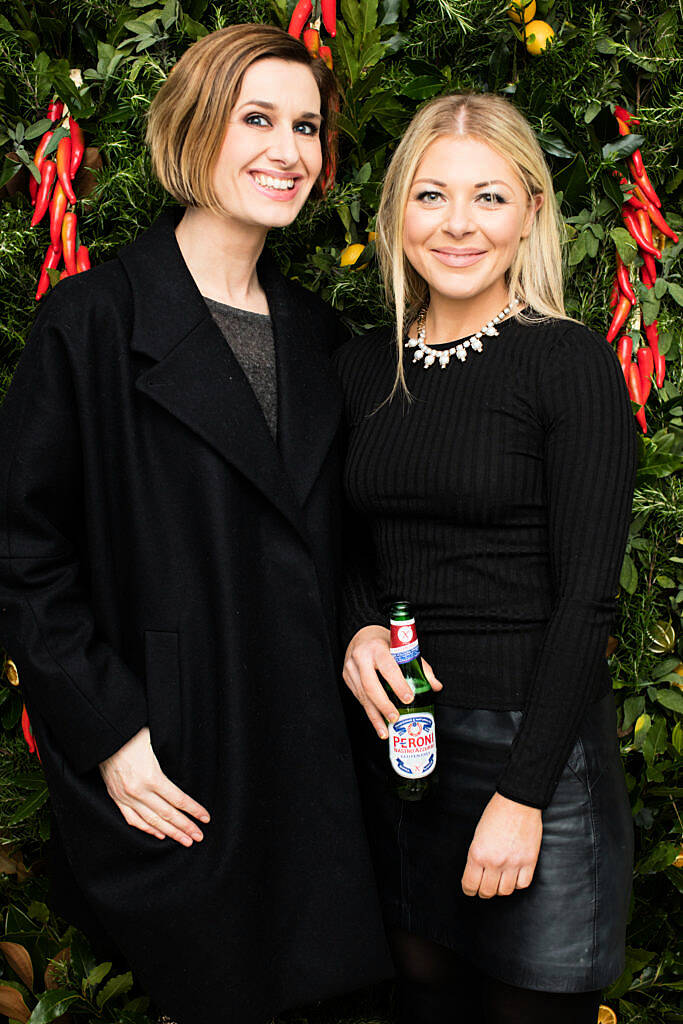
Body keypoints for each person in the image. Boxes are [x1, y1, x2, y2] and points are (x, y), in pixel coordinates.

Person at [0, 24, 391, 1024]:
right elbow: (24, 550)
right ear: (193, 128)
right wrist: (108, 733)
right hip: (180, 759)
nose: (286, 149)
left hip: (319, 770)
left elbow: (347, 537)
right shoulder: (91, 321)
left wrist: (357, 623)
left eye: (304, 126)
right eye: (256, 118)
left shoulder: (316, 334)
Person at [335, 92, 637, 1024]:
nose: (457, 225)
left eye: (488, 198)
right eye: (430, 196)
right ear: (395, 216)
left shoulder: (567, 362)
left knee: (527, 1006)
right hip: (404, 752)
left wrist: (521, 795)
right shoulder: (359, 367)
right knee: (424, 998)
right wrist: (354, 625)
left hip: (531, 756)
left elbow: (586, 602)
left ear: (530, 215)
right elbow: (349, 543)